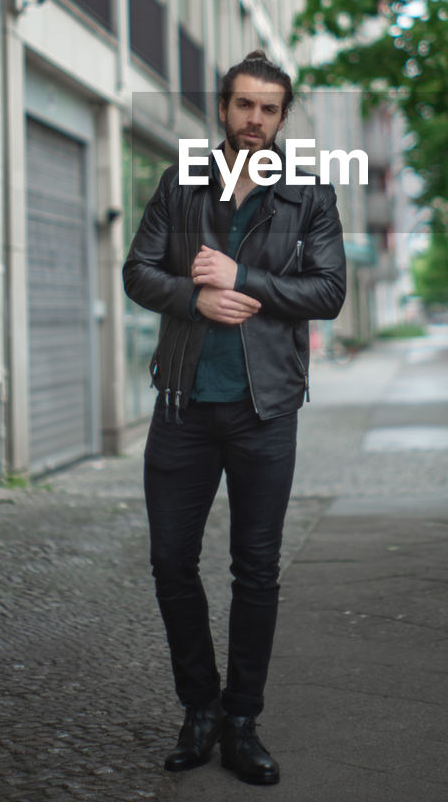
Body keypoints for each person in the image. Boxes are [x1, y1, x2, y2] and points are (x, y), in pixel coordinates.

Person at [123, 50, 346, 787]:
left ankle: (242, 721)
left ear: (283, 117)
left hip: (265, 408)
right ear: (222, 108)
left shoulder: (308, 193)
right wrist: (196, 299)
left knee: (255, 571)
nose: (255, 120)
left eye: (270, 109)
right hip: (184, 405)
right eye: (244, 105)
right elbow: (139, 271)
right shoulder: (180, 182)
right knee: (169, 562)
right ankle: (200, 709)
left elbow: (328, 291)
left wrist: (243, 278)